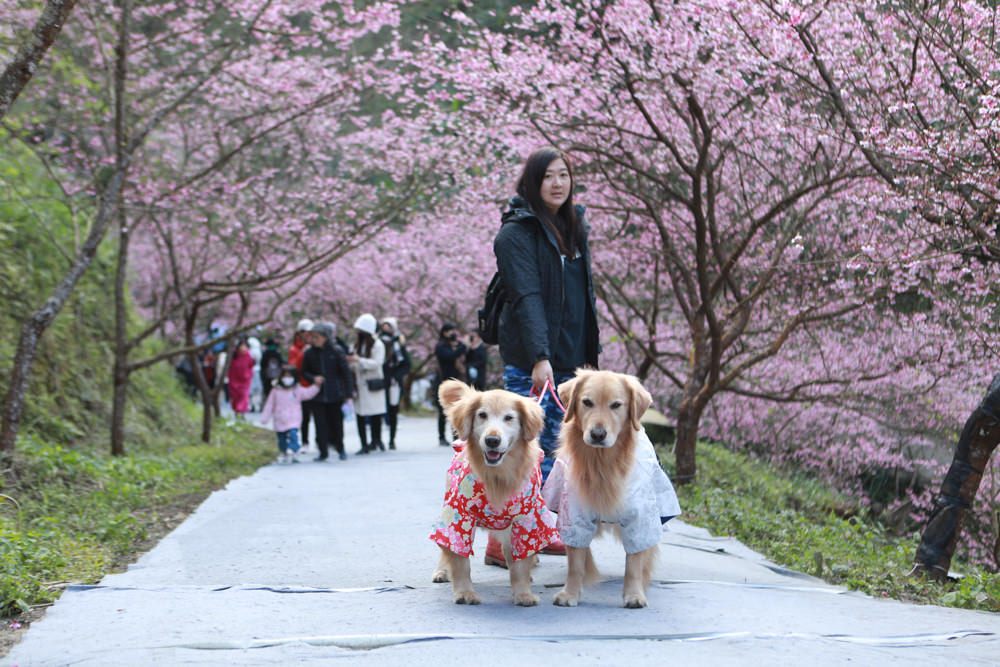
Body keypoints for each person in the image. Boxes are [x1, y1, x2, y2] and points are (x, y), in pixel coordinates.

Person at [490, 147, 601, 563]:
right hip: (533, 359)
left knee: (557, 449)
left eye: (564, 175)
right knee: (525, 449)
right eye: (548, 177)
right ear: (532, 183)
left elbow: (584, 297)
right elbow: (526, 297)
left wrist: (589, 357)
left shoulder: (575, 226)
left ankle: (536, 527)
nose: (558, 184)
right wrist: (540, 357)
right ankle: (503, 538)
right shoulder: (516, 234)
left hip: (572, 360)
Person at [301, 322, 353, 461]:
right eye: (312, 337)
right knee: (320, 425)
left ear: (325, 337)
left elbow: (346, 373)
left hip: (335, 393)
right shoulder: (309, 353)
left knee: (336, 424)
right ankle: (323, 451)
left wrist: (348, 394)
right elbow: (304, 371)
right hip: (317, 395)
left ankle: (340, 448)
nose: (314, 339)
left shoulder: (337, 350)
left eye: (317, 337)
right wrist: (313, 378)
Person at [259, 365, 320, 463]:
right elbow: (269, 405)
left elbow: (308, 393)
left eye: (290, 376)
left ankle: (295, 451)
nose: (287, 379)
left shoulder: (297, 389)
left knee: (293, 435)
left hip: (294, 418)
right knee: (281, 438)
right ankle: (284, 452)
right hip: (280, 418)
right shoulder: (276, 390)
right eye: (285, 376)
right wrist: (264, 418)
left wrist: (316, 386)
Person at [347, 313, 387, 454]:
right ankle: (364, 443)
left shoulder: (377, 344)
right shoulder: (357, 345)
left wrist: (359, 361)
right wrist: (352, 362)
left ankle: (376, 440)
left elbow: (377, 363)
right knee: (360, 415)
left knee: (376, 414)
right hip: (359, 384)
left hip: (372, 383)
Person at [378, 317, 411, 450]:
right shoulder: (376, 342)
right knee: (378, 411)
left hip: (394, 383)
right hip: (380, 380)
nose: (386, 329)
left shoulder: (398, 344)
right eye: (384, 326)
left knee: (392, 411)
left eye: (389, 327)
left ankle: (392, 439)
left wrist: (397, 375)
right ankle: (377, 439)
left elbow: (406, 364)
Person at [434, 322, 467, 446]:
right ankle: (441, 436)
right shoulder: (441, 346)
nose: (452, 334)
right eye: (449, 331)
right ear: (444, 332)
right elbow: (450, 356)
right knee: (442, 410)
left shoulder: (455, 345)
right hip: (444, 380)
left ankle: (455, 435)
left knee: (457, 409)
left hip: (456, 381)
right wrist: (463, 346)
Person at [289, 318, 314, 448]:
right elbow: (293, 366)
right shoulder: (294, 349)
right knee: (303, 416)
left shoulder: (314, 347)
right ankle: (304, 441)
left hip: (313, 385)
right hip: (301, 385)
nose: (307, 335)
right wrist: (302, 353)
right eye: (305, 332)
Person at [226, 338, 256, 418]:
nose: (243, 348)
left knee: (244, 396)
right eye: (242, 346)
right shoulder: (234, 356)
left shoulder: (248, 355)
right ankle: (237, 412)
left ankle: (242, 413)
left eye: (245, 346)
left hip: (245, 380)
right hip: (234, 380)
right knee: (236, 397)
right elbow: (230, 367)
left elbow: (251, 365)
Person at [259, 337, 284, 403]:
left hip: (267, 376)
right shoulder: (277, 353)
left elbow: (262, 365)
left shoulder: (265, 353)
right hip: (276, 375)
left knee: (268, 391)